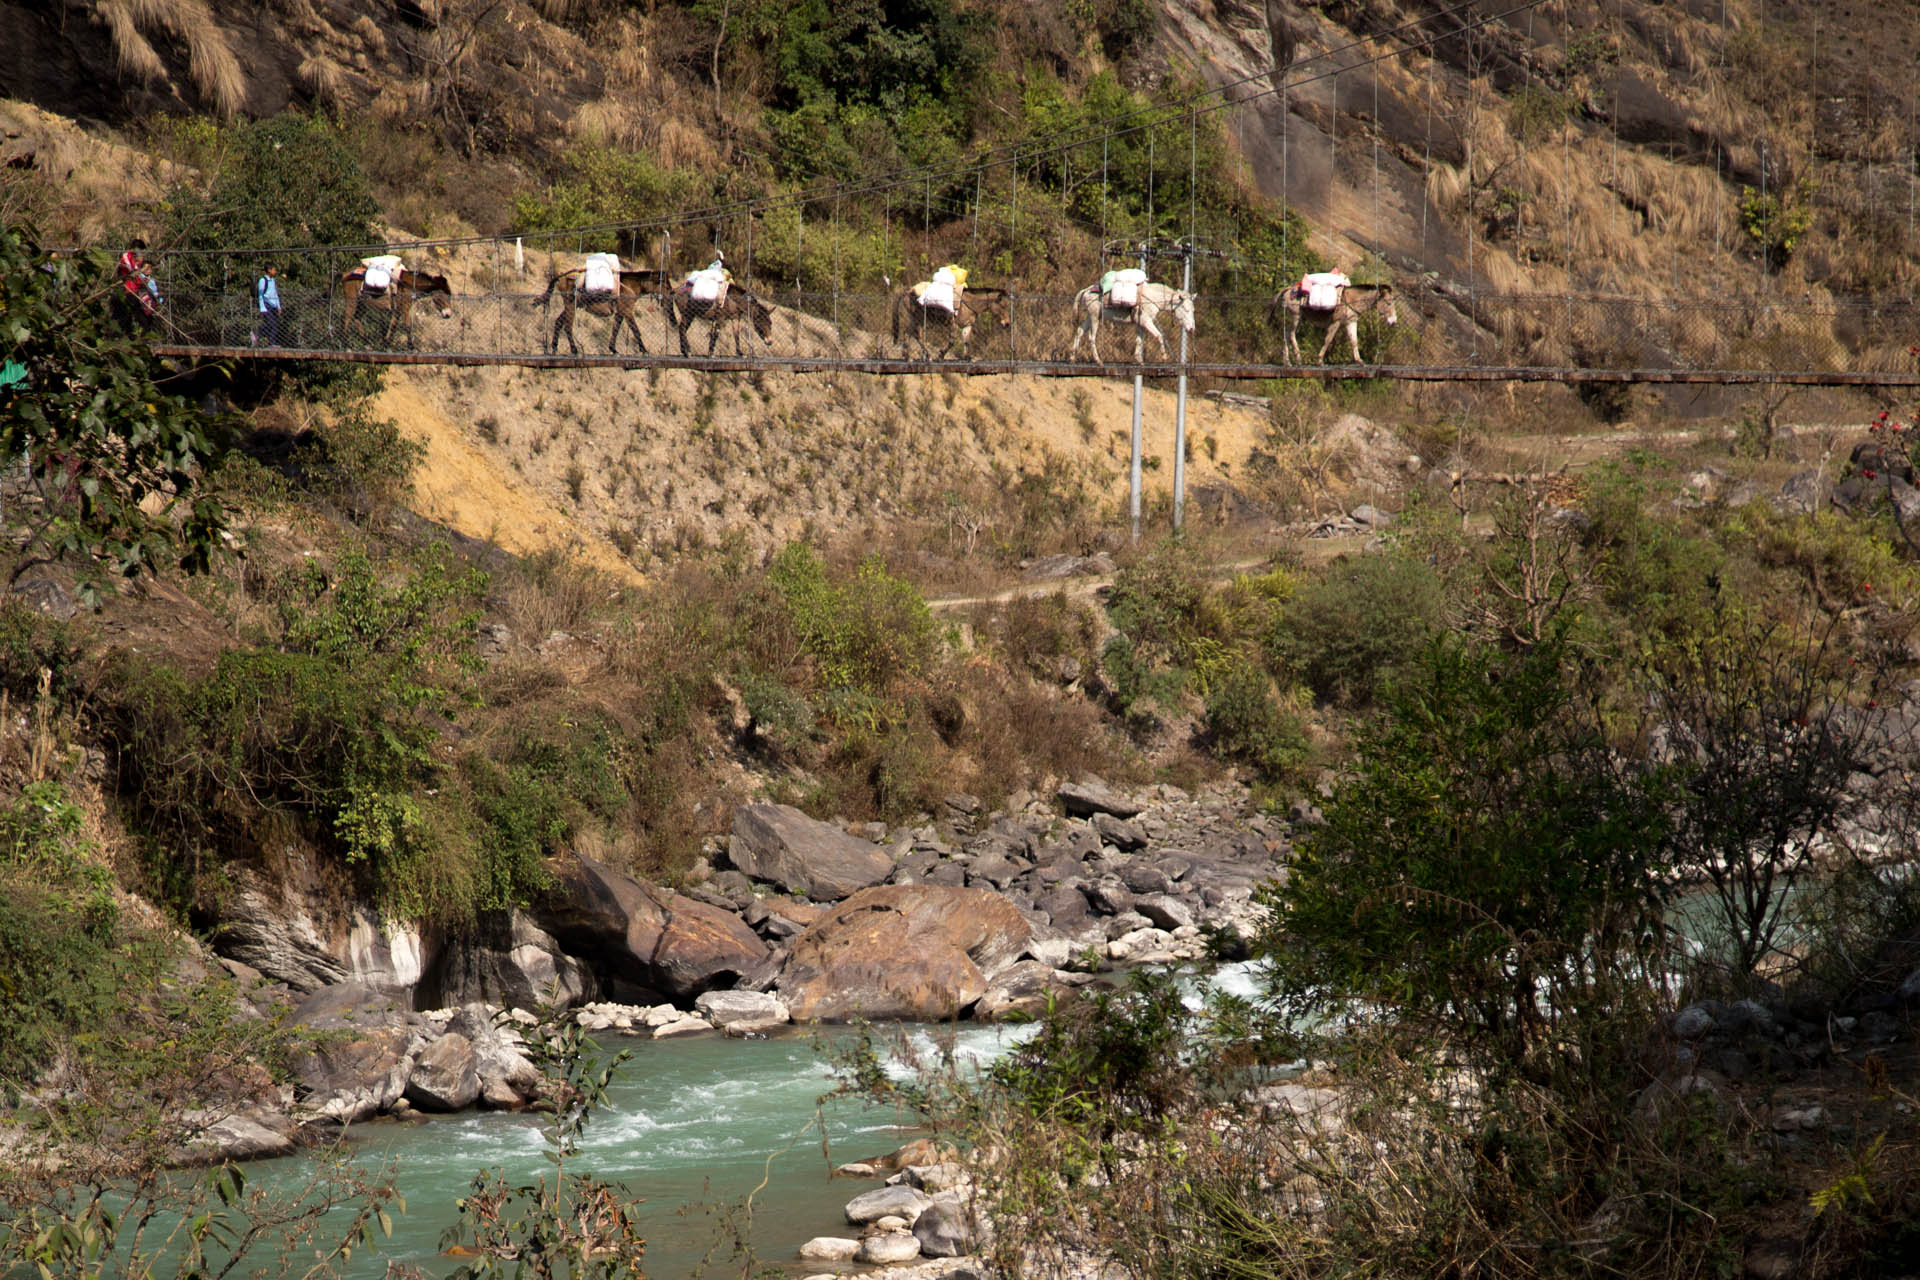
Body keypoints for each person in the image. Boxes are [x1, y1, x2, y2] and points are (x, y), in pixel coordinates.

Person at [255, 265, 282, 347]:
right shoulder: (263, 280)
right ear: (269, 270)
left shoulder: (273, 280)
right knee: (270, 323)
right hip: (266, 305)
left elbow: (275, 294)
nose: (275, 271)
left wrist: (278, 306)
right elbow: (260, 295)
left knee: (274, 325)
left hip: (273, 305)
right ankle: (257, 334)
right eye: (274, 270)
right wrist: (262, 307)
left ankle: (272, 343)